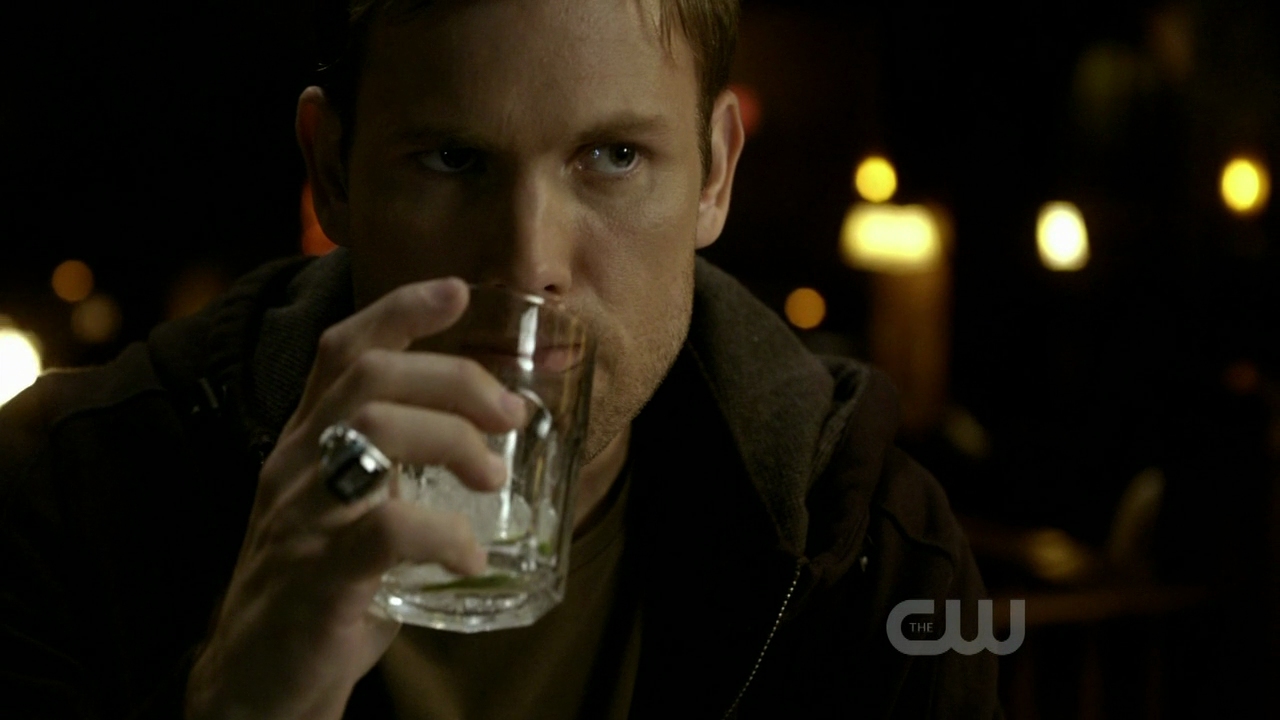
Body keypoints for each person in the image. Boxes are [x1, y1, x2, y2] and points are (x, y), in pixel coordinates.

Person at [0, 0, 1003, 717]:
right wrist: (241, 699)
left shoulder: (874, 553)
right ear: (332, 170)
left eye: (613, 157)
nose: (527, 266)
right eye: (452, 160)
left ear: (715, 176)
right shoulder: (61, 494)